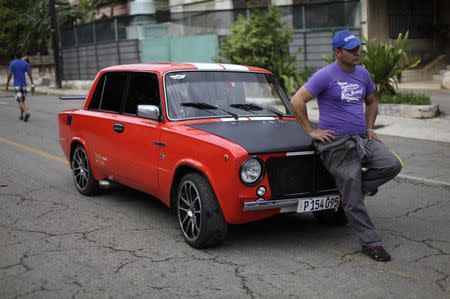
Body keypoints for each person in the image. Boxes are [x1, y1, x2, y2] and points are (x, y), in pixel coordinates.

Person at [290, 29, 402, 262]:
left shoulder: (362, 73)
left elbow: (371, 102)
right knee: (352, 195)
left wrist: (370, 128)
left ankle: (353, 193)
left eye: (358, 48)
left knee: (392, 164)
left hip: (361, 139)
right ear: (338, 52)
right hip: (336, 144)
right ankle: (371, 242)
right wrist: (311, 130)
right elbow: (296, 100)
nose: (358, 52)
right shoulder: (325, 75)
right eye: (352, 50)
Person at [5, 53, 34, 122]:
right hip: (24, 84)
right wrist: (32, 84)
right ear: (21, 57)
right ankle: (21, 115)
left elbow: (9, 74)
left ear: (15, 56)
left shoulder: (12, 63)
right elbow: (29, 74)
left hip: (17, 85)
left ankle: (26, 113)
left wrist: (7, 83)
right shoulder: (25, 63)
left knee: (19, 100)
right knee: (22, 100)